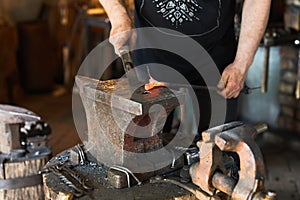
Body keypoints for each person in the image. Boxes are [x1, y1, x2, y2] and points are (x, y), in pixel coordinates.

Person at [98, 0, 271, 132]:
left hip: (215, 61)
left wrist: (241, 65)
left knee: (217, 148)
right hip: (152, 55)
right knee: (145, 148)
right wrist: (119, 17)